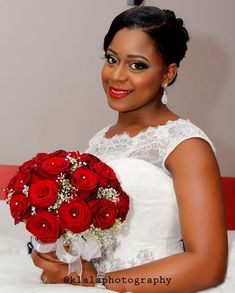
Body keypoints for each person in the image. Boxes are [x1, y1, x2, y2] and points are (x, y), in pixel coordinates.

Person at [31, 6, 228, 292]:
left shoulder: (186, 146)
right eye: (112, 59)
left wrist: (99, 282)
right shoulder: (100, 141)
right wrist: (63, 259)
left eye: (137, 65)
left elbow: (207, 264)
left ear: (168, 74)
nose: (117, 76)